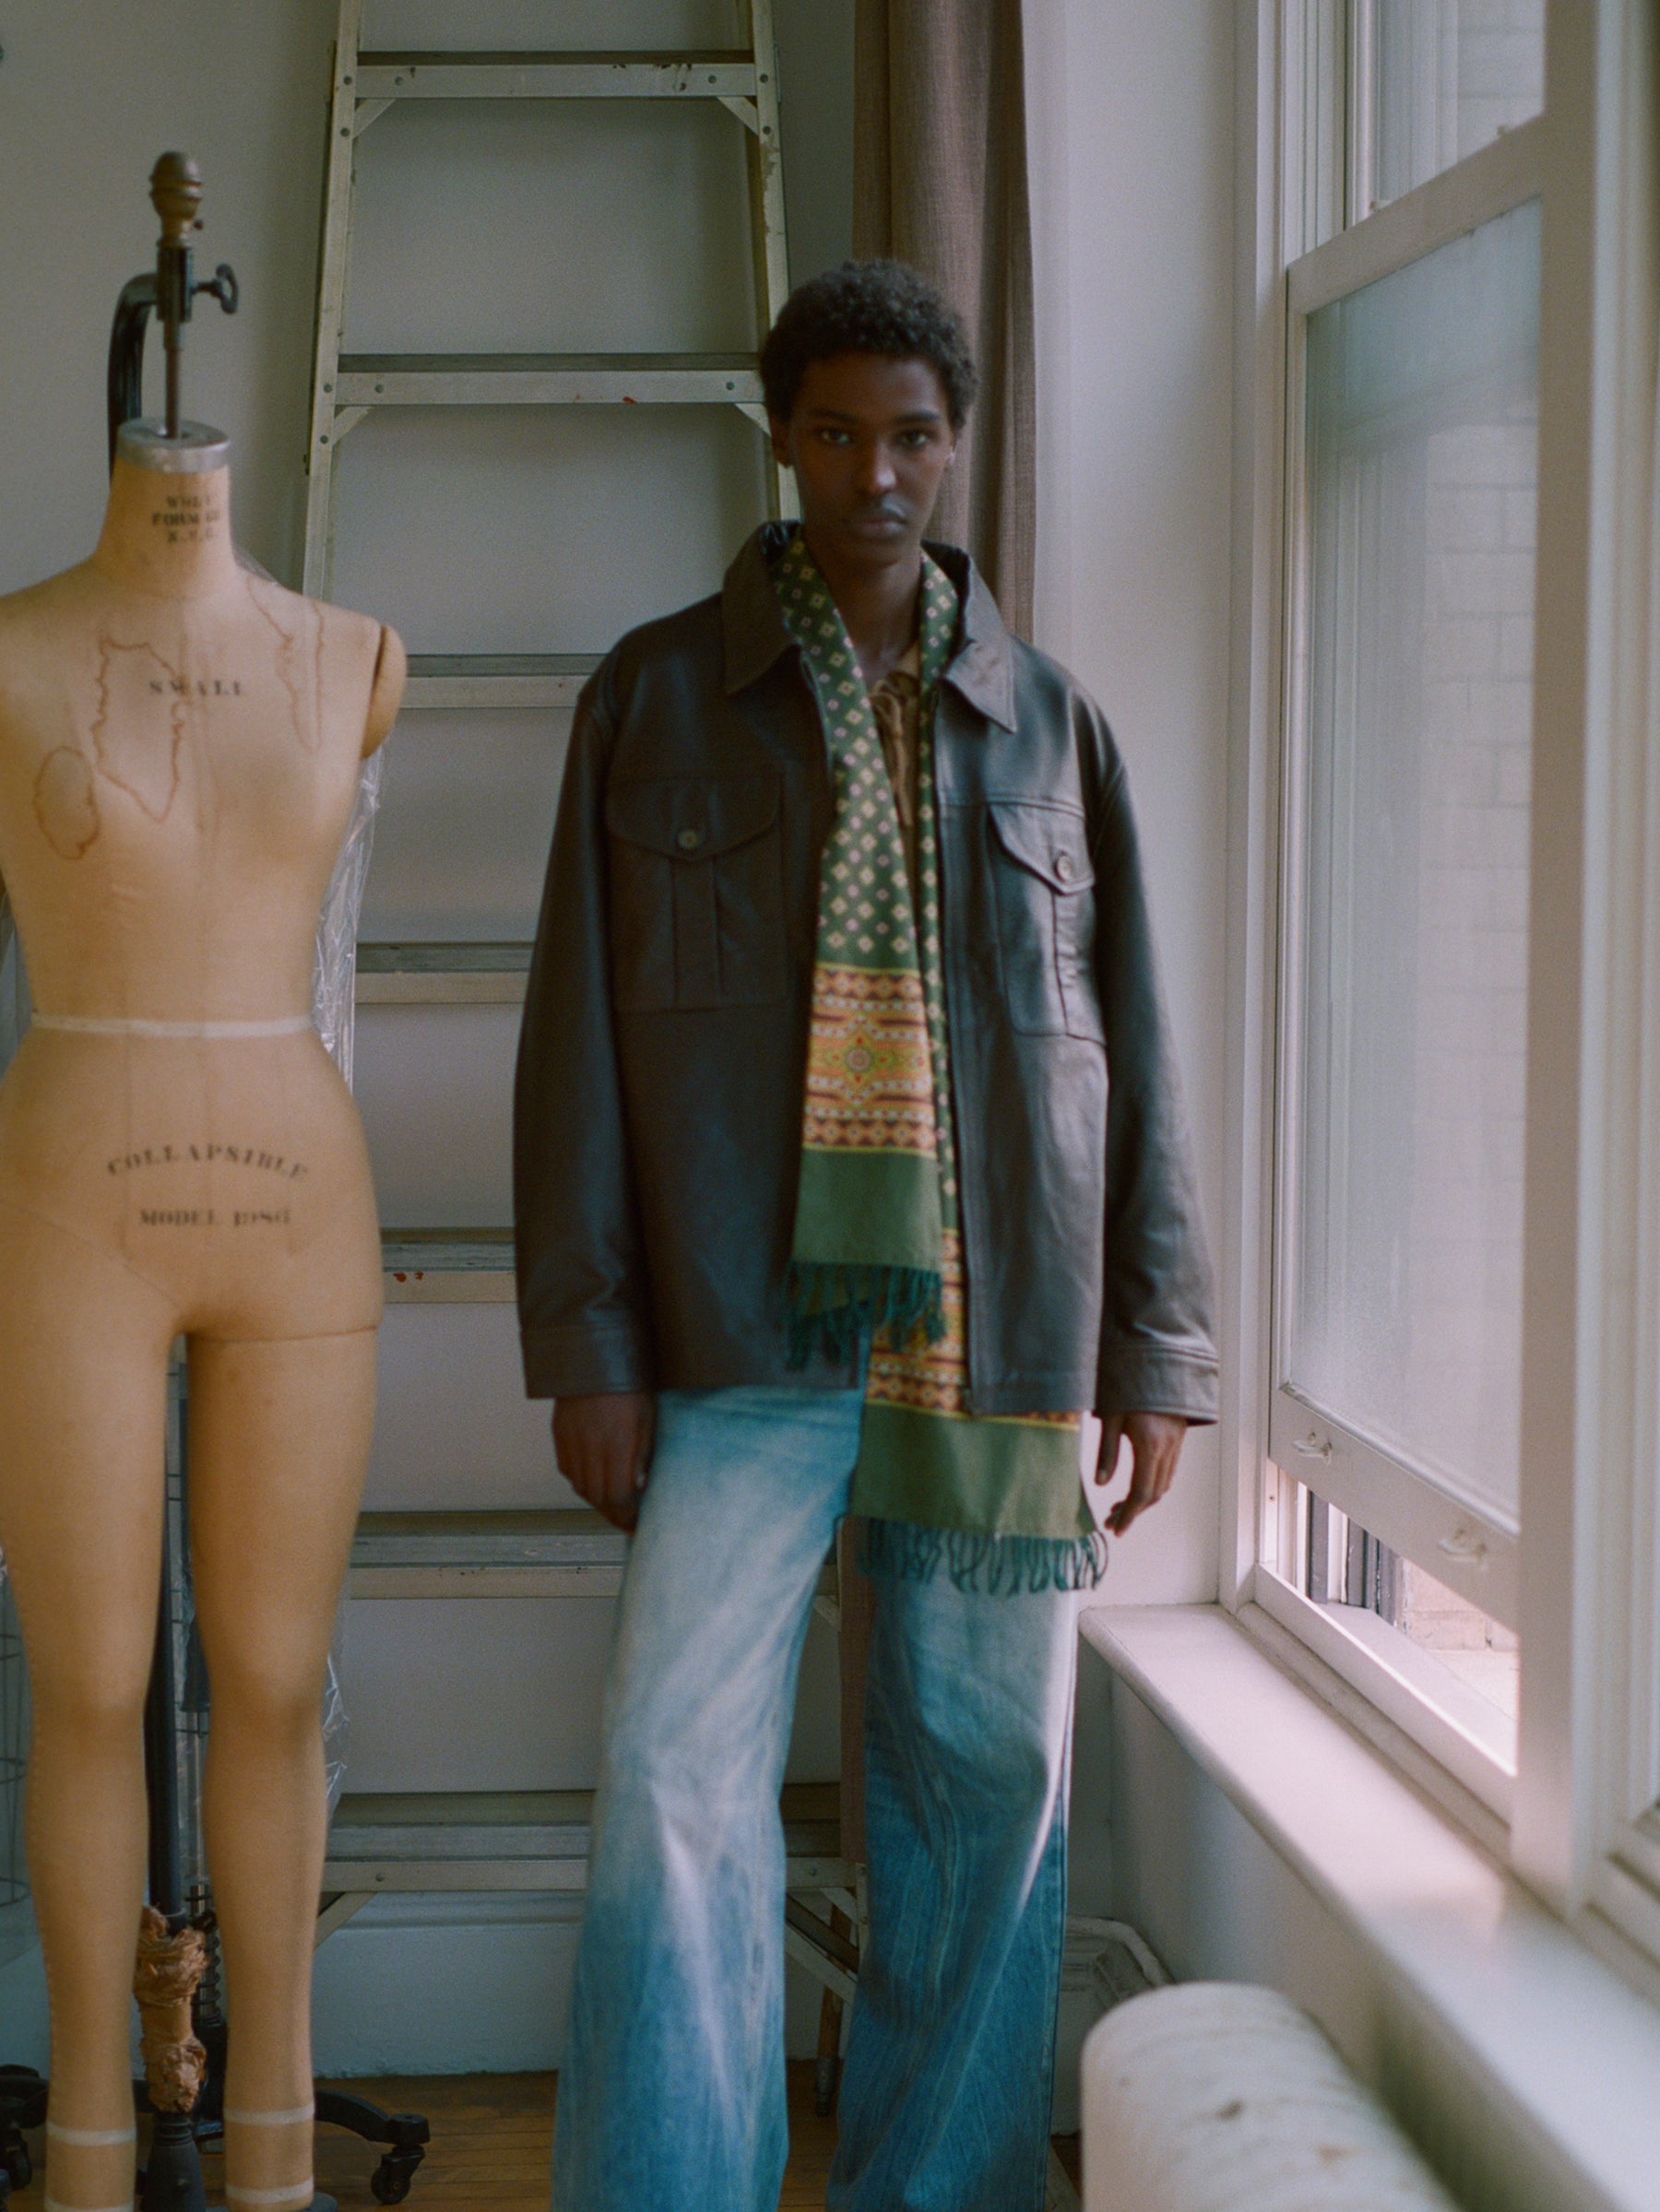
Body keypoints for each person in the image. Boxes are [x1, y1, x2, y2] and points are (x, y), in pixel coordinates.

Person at [514, 258, 1216, 2212]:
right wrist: (589, 1343)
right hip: (738, 1330)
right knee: (673, 1782)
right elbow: (576, 1044)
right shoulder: (656, 698)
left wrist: (1155, 1348)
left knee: (990, 1794)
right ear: (785, 437)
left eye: (912, 435)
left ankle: (938, 2193)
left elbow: (1133, 1045)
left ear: (955, 444)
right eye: (838, 433)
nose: (877, 474)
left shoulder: (1051, 729)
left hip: (997, 1343)